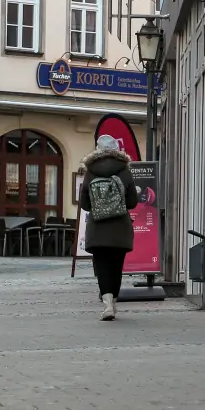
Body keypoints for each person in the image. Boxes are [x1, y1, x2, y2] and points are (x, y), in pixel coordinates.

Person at [78, 135, 140, 321]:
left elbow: (85, 204)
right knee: (116, 266)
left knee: (102, 266)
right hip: (119, 228)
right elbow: (132, 202)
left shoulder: (90, 172)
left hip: (98, 228)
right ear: (116, 150)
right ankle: (114, 300)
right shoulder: (125, 171)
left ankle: (106, 304)